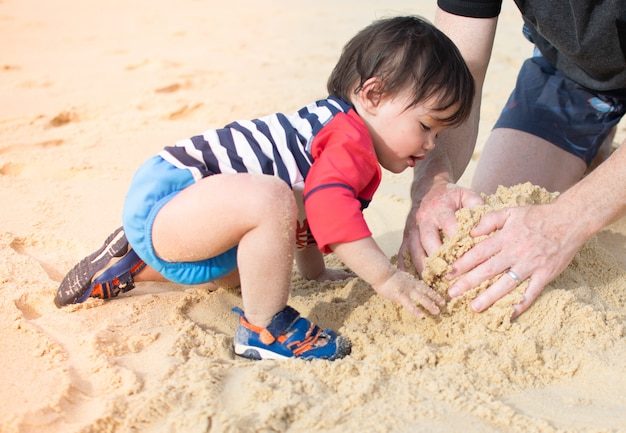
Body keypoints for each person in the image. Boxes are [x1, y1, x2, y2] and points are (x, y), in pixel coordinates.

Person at [55, 16, 475, 361]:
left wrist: (313, 271)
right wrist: (387, 279)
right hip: (172, 199)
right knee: (272, 199)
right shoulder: (348, 140)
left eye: (438, 134)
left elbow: (308, 207)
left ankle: (128, 265)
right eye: (425, 126)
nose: (430, 145)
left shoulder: (335, 130)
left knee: (255, 267)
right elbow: (329, 212)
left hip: (189, 217)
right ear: (372, 95)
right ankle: (263, 328)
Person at [399, 0, 626, 319]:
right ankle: (598, 143)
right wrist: (431, 184)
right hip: (579, 73)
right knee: (497, 217)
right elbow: (458, 65)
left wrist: (563, 222)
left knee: (553, 225)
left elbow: (561, 225)